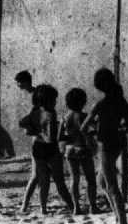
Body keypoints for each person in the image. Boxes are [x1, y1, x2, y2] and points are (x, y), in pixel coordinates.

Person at [80, 68, 128, 224]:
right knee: (103, 182)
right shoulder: (121, 101)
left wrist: (91, 138)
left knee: (111, 186)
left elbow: (84, 127)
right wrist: (122, 128)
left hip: (105, 144)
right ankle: (118, 221)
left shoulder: (100, 104)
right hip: (118, 142)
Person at [19, 84, 74, 215]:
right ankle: (72, 206)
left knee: (42, 181)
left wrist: (36, 131)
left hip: (38, 148)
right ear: (47, 100)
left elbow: (22, 123)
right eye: (53, 100)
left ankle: (42, 208)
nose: (55, 102)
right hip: (51, 149)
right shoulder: (51, 114)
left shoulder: (35, 112)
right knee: (60, 181)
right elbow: (50, 138)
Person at [59, 87, 100, 215]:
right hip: (84, 149)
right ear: (83, 102)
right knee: (90, 179)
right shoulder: (85, 116)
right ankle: (93, 206)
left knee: (74, 179)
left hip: (70, 150)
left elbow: (60, 137)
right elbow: (93, 131)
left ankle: (76, 207)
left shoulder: (65, 118)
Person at [15, 70, 40, 211]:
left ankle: (25, 204)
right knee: (38, 174)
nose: (18, 85)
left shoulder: (34, 95)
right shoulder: (31, 94)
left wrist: (23, 122)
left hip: (38, 136)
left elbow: (32, 114)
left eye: (19, 82)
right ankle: (27, 203)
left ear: (25, 81)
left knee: (36, 174)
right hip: (37, 135)